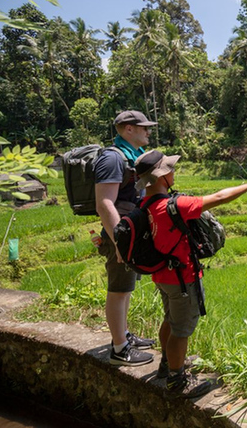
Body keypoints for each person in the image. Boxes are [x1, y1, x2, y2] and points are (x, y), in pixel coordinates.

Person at [134, 149, 247, 398]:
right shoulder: (174, 206)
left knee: (170, 320)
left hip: (163, 276)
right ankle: (177, 380)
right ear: (162, 177)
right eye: (170, 169)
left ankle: (166, 365)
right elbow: (220, 196)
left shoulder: (146, 204)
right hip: (183, 279)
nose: (174, 172)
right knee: (181, 331)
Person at [95, 110, 158, 366]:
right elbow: (104, 204)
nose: (148, 131)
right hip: (119, 234)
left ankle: (124, 335)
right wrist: (120, 242)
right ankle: (120, 349)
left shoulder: (130, 157)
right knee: (118, 290)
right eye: (143, 127)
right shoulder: (112, 158)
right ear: (128, 129)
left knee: (126, 288)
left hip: (129, 231)